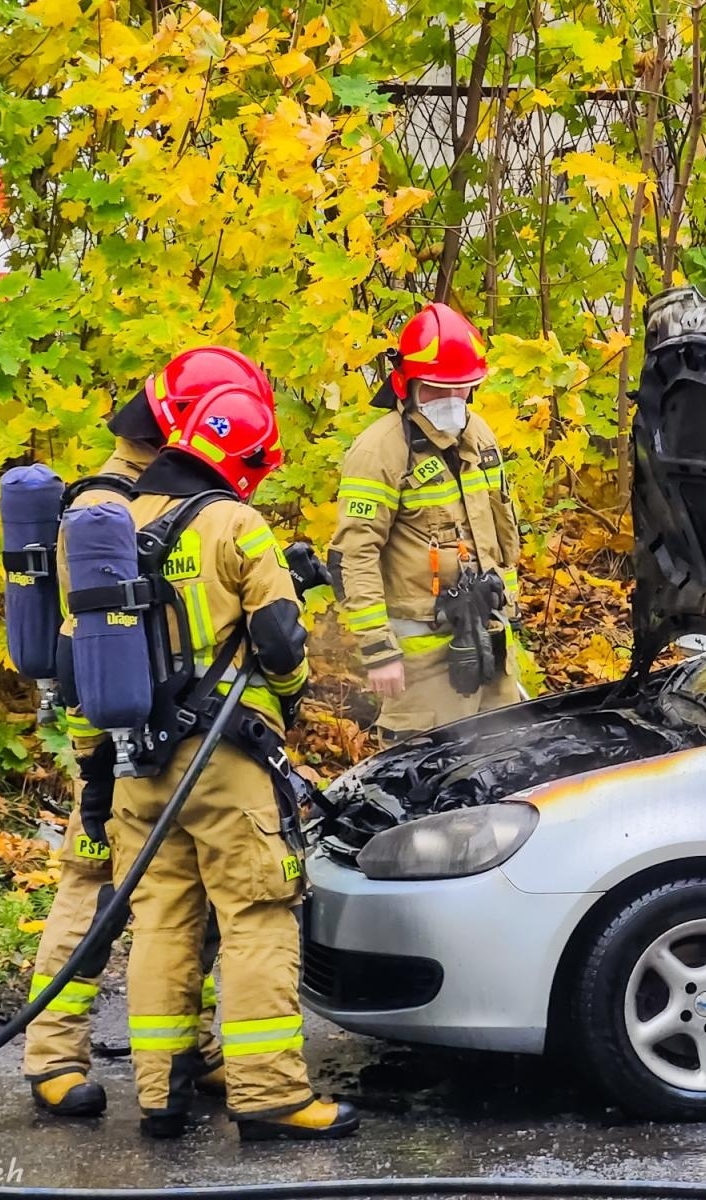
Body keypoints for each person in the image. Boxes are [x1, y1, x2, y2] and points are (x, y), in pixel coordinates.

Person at [101, 372, 357, 1141]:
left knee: (163, 923)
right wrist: (290, 690)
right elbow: (280, 644)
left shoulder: (116, 520)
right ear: (244, 456)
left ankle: (160, 1094)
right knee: (255, 916)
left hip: (135, 764)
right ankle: (270, 1095)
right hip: (224, 758)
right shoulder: (237, 523)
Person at [23, 348, 273, 1117]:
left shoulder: (152, 490)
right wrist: (94, 774)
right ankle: (52, 1055)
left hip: (152, 732)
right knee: (93, 885)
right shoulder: (102, 508)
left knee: (175, 892)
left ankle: (185, 1051)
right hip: (110, 739)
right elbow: (77, 654)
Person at [328, 302, 522, 742]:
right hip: (421, 661)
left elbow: (501, 532)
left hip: (490, 641)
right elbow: (354, 555)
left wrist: (509, 608)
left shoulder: (480, 437)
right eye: (436, 390)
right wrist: (379, 651)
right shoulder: (378, 452)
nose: (451, 402)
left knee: (507, 765)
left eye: (462, 390)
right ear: (406, 384)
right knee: (429, 781)